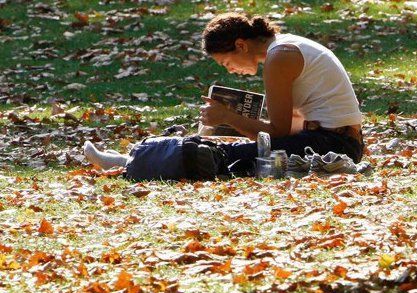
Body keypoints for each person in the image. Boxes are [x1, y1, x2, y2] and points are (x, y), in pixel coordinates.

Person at [83, 13, 365, 177]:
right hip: (331, 139)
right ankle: (134, 157)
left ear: (240, 45)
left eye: (226, 63)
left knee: (224, 155)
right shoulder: (284, 50)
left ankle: (128, 164)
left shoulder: (280, 57)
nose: (230, 70)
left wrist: (229, 116)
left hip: (333, 144)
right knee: (226, 146)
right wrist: (229, 125)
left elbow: (277, 132)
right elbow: (285, 132)